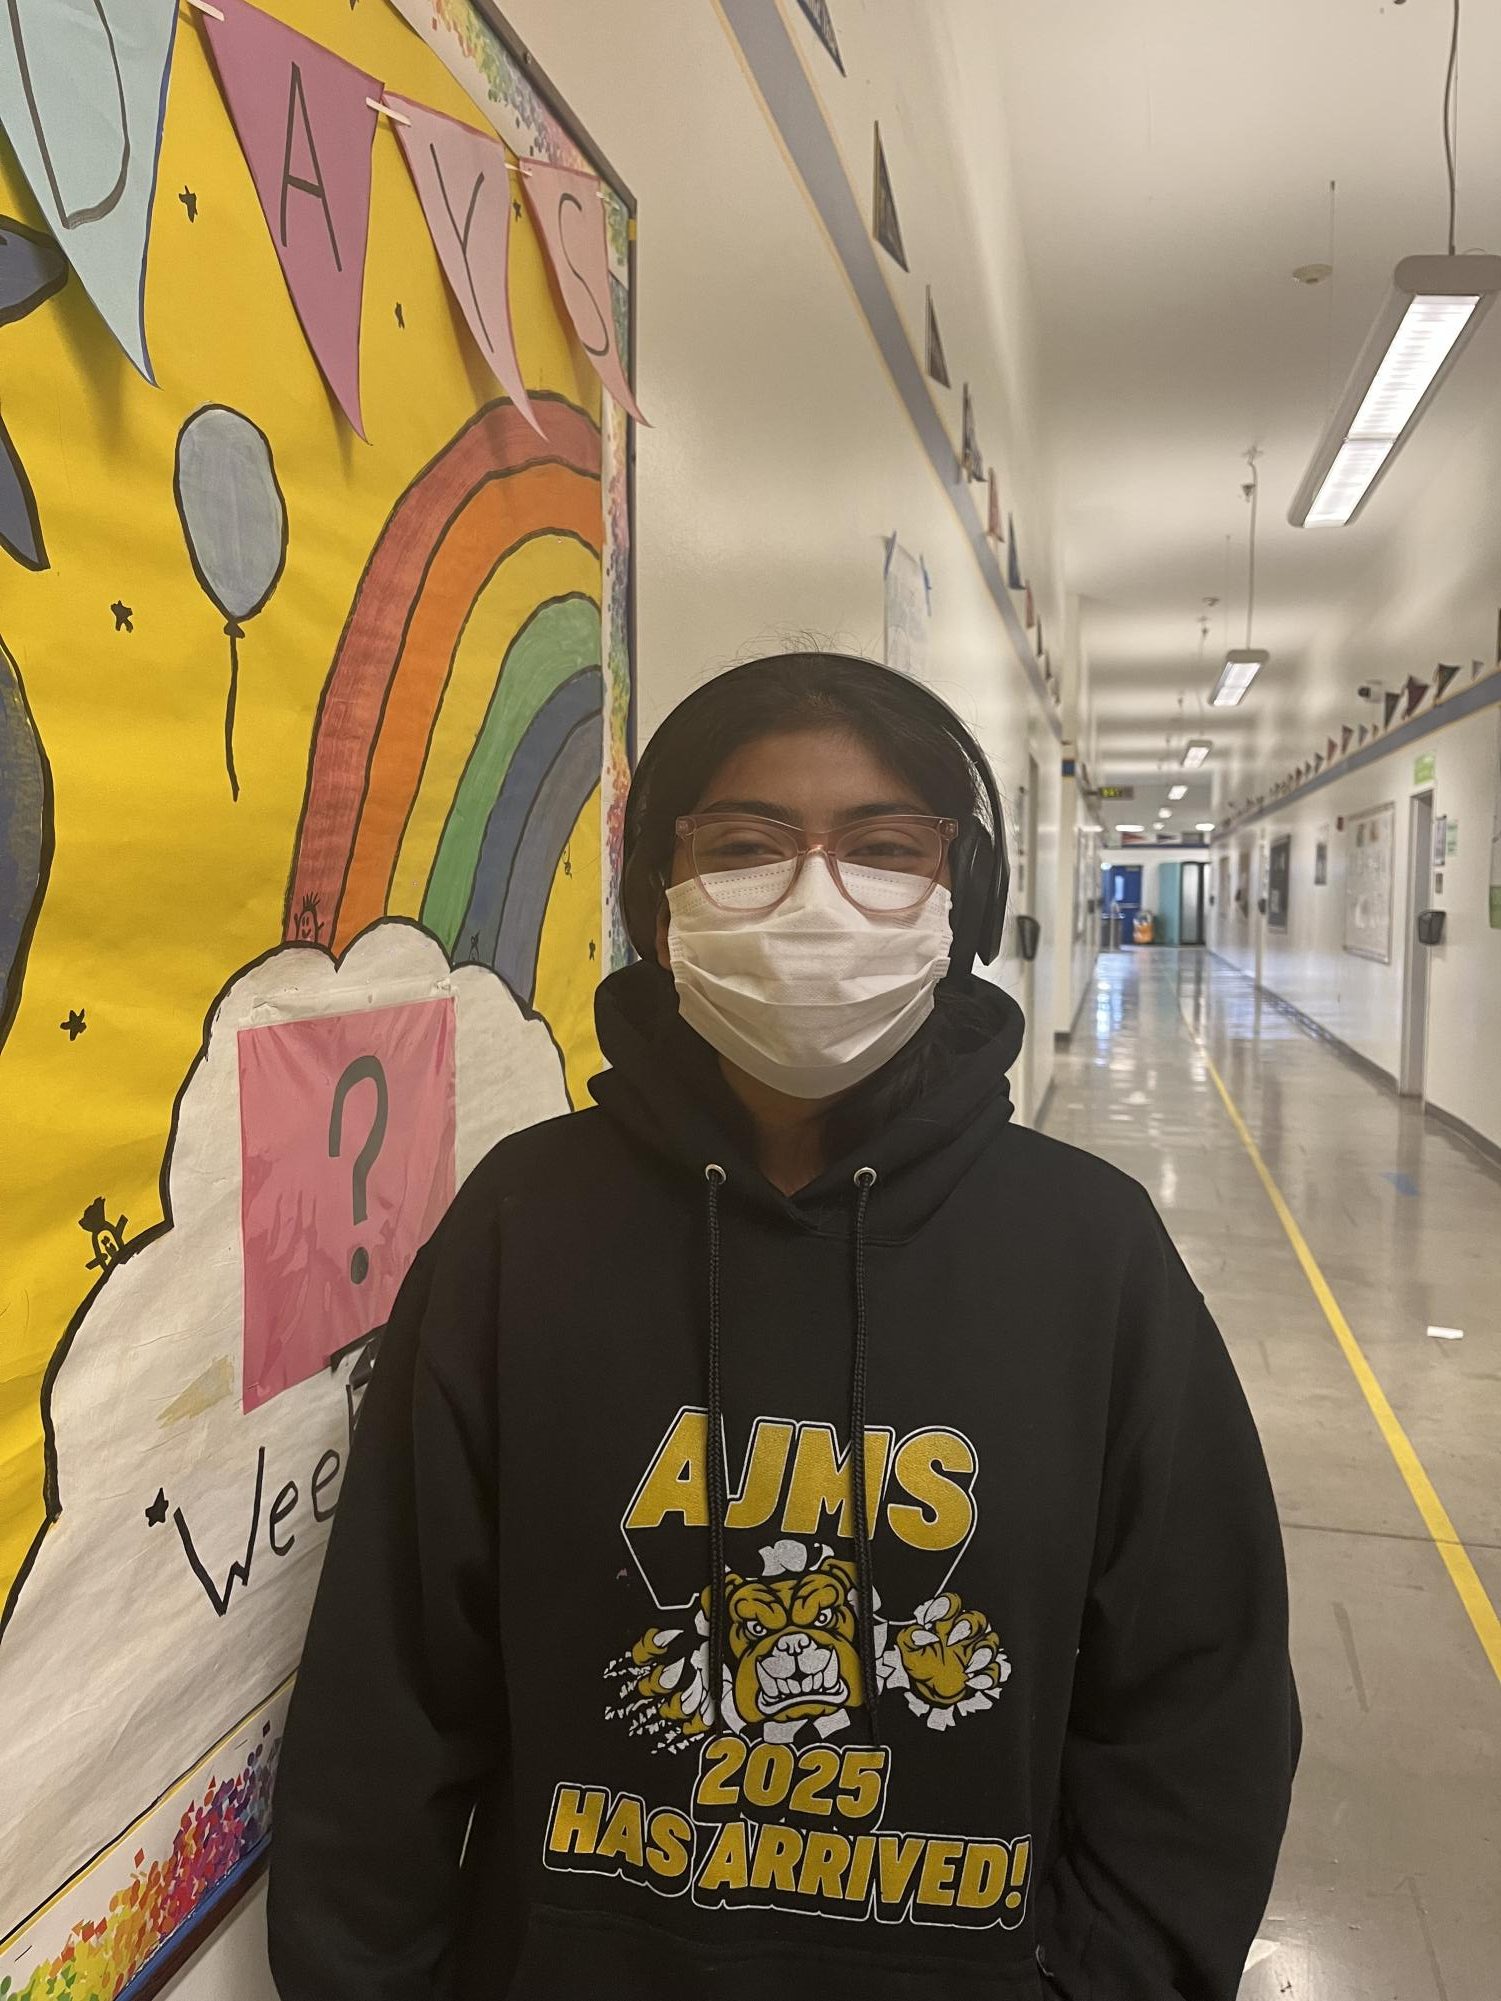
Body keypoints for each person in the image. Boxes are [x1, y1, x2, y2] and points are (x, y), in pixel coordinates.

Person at [268, 652, 1298, 2001]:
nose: (815, 898)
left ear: (959, 898)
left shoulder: (1091, 1253)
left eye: (883, 847)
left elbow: (1196, 1709)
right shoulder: (523, 1226)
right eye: (746, 845)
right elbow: (386, 1703)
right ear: (658, 899)